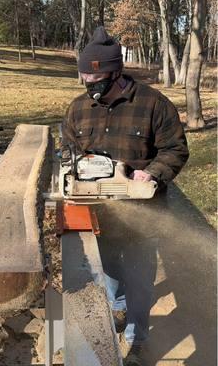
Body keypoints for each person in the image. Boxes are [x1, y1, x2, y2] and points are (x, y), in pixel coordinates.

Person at [61, 26, 189, 365]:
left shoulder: (152, 104)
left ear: (114, 72)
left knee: (140, 278)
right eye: (84, 78)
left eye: (94, 78)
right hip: (98, 211)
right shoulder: (78, 108)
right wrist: (73, 166)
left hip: (141, 210)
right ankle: (117, 308)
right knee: (109, 269)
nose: (89, 85)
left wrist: (153, 172)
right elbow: (69, 148)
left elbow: (175, 149)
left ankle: (138, 339)